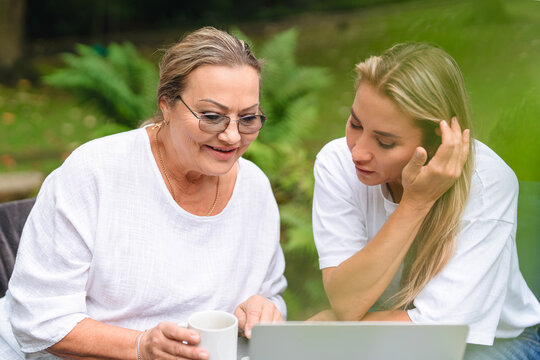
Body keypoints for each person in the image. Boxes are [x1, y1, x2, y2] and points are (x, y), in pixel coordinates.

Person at [0, 26, 287, 360]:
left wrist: (261, 309)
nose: (232, 137)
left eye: (248, 118)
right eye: (212, 117)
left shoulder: (254, 189)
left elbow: (271, 296)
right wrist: (139, 346)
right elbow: (38, 321)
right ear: (166, 104)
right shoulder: (95, 173)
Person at [310, 42, 540, 359]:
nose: (358, 151)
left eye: (385, 142)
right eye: (355, 124)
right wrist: (412, 205)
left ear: (435, 142)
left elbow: (440, 332)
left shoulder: (487, 184)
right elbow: (347, 304)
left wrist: (418, 201)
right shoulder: (336, 163)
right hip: (390, 326)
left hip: (491, 342)